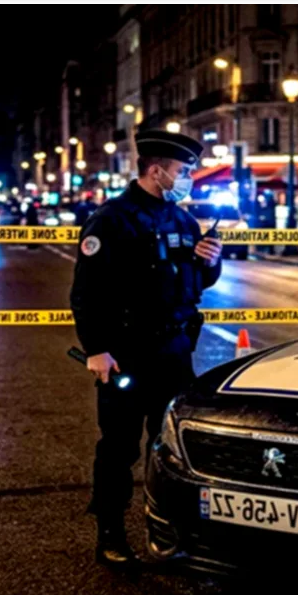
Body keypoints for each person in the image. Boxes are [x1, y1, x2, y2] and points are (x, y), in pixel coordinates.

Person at [70, 131, 222, 569]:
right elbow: (86, 293)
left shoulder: (182, 220)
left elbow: (197, 281)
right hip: (126, 350)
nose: (189, 178)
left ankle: (168, 531)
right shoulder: (112, 220)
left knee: (171, 448)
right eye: (183, 171)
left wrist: (210, 262)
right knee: (119, 448)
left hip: (174, 351)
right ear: (157, 171)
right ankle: (111, 534)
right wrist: (97, 350)